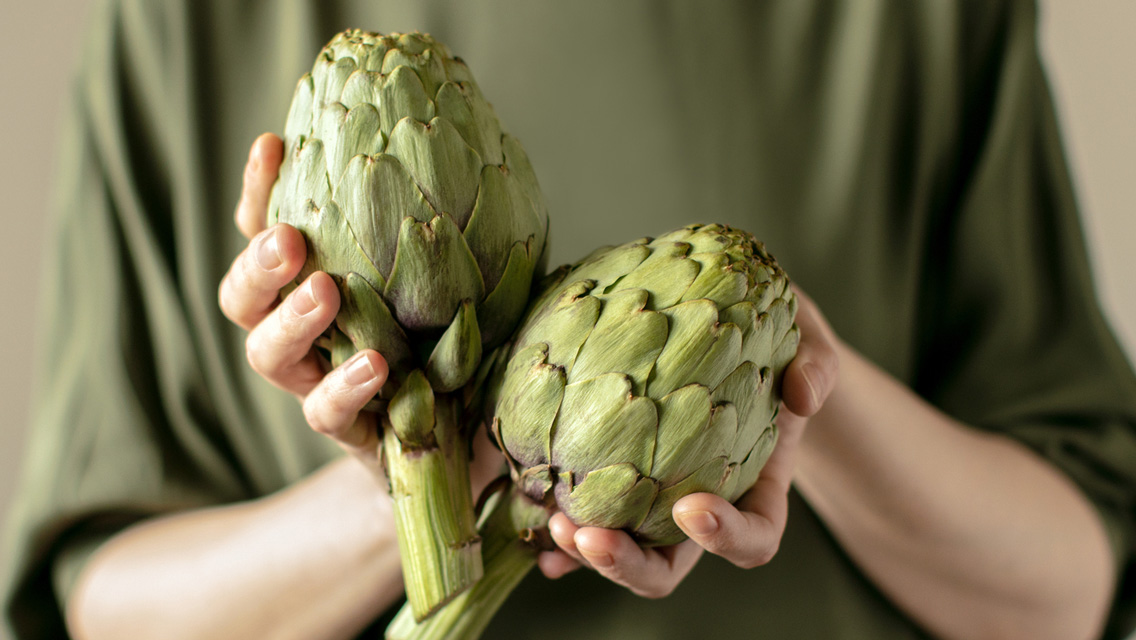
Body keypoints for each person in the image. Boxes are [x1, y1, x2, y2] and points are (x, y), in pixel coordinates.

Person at [5, 1, 1136, 638]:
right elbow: (106, 608)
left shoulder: (923, 23)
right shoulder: (178, 23)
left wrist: (782, 381)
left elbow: (1062, 592)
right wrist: (435, 461)